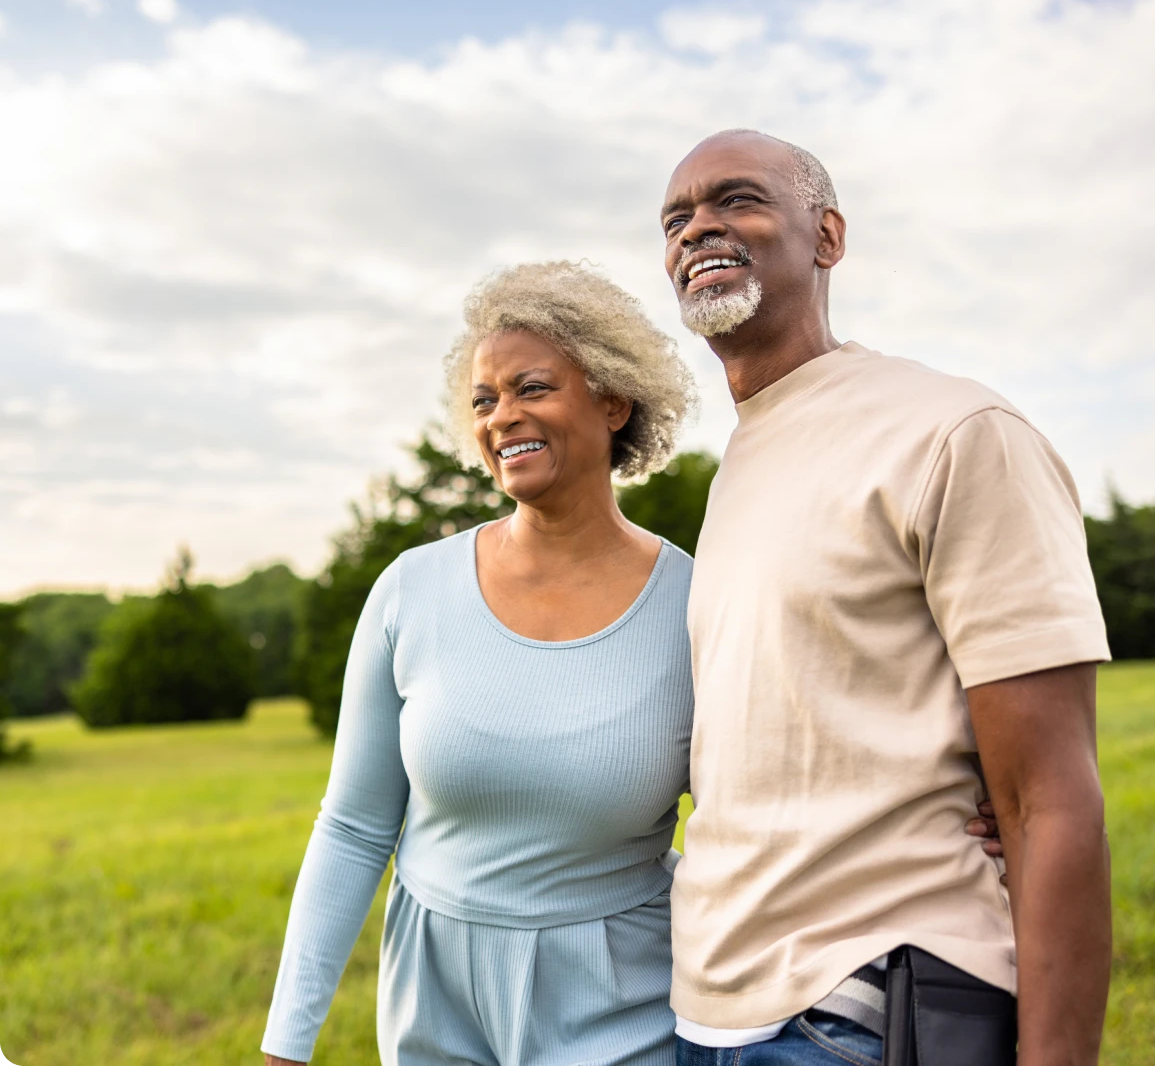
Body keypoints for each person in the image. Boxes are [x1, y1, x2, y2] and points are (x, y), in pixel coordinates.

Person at [260, 261, 1003, 1066]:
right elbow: (354, 826)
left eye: (532, 388)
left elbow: (793, 769)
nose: (503, 416)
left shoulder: (696, 598)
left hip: (624, 1004)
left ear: (613, 400)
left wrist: (973, 792)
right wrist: (286, 1044)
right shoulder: (411, 591)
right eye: (484, 399)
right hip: (433, 1003)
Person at [661, 129, 1112, 1066]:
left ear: (827, 237)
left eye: (736, 201)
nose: (698, 226)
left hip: (867, 1008)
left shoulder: (954, 432)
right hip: (706, 1018)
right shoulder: (737, 467)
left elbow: (1049, 798)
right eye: (675, 219)